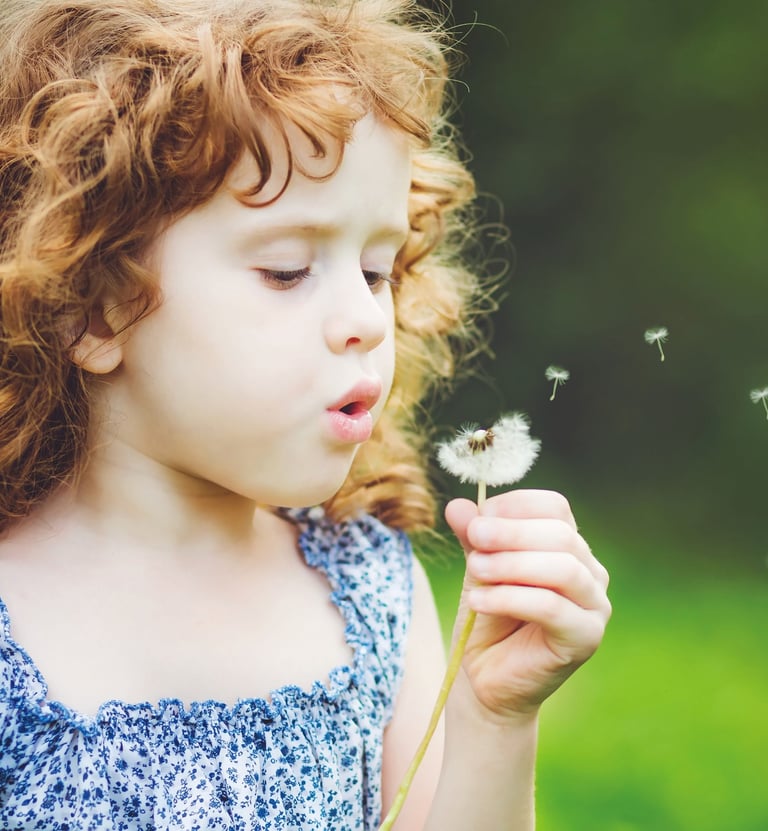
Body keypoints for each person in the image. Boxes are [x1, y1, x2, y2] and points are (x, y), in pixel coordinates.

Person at [0, 1, 611, 829]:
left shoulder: (368, 583)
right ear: (95, 309)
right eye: (288, 270)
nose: (363, 316)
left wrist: (495, 719)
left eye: (377, 267)